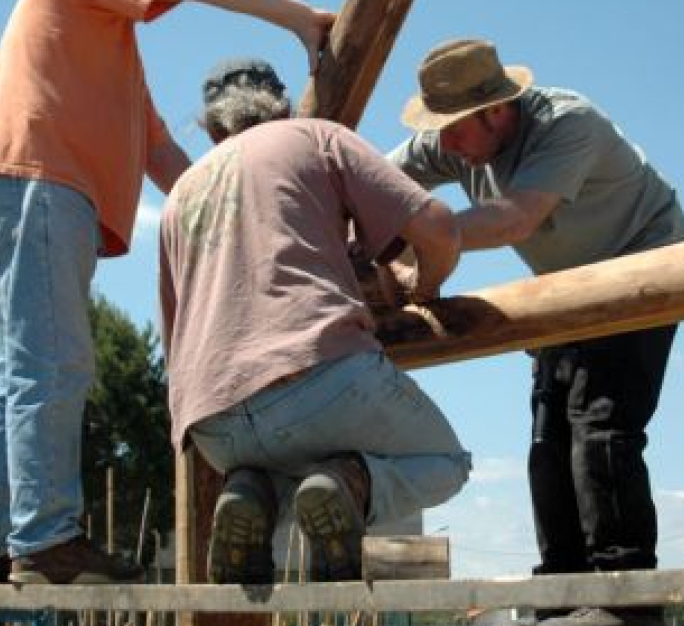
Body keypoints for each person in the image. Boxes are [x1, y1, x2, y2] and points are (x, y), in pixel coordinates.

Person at [0, 0, 335, 586]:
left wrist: (228, 216)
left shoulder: (108, 45)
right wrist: (300, 19)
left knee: (7, 378)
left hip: (13, 190)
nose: (164, 3)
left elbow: (159, 152)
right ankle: (44, 542)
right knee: (53, 365)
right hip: (39, 183)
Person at [388, 39, 684, 626]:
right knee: (549, 439)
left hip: (641, 261)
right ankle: (562, 592)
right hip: (565, 283)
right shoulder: (458, 139)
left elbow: (515, 218)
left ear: (496, 112)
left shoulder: (567, 123)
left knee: (601, 425)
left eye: (453, 131)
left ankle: (625, 601)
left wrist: (423, 239)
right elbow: (375, 176)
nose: (444, 146)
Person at [158, 58, 472, 584]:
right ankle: (350, 484)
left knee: (281, 471)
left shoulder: (180, 197)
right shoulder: (315, 137)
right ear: (282, 107)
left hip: (213, 427)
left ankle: (255, 494)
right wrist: (424, 292)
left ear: (213, 129)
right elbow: (438, 228)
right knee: (446, 461)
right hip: (317, 378)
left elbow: (175, 335)